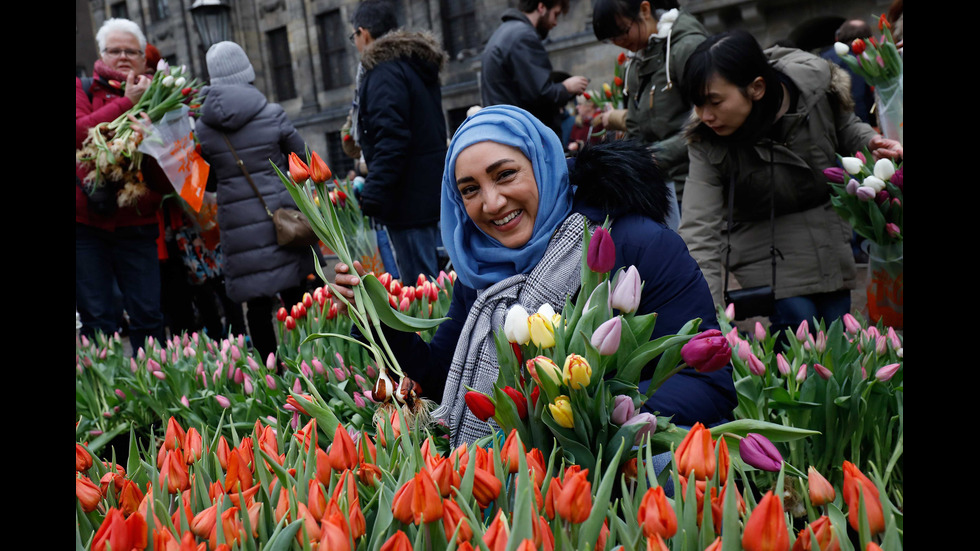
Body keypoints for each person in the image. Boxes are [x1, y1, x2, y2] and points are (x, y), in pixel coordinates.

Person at [335, 105, 736, 446]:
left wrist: (588, 414)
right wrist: (379, 320)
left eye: (505, 174)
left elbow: (708, 385)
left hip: (624, 470)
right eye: (470, 189)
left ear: (543, 164)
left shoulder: (633, 244)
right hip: (516, 480)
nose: (491, 203)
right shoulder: (480, 272)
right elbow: (447, 383)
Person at [678, 30, 903, 336]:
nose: (704, 115)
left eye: (714, 102)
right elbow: (698, 228)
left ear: (756, 87)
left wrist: (871, 141)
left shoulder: (814, 87)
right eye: (698, 105)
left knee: (836, 330)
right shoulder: (707, 140)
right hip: (759, 240)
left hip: (825, 226)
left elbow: (843, 126)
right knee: (801, 325)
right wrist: (707, 317)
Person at [194, 41, 309, 359]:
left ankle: (270, 375)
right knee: (296, 299)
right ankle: (309, 367)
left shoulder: (203, 127)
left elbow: (210, 181)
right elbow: (302, 158)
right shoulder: (271, 113)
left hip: (238, 225)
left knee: (256, 305)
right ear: (246, 72)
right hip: (280, 220)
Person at [76, 18, 165, 350]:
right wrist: (127, 102)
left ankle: (155, 394)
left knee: (149, 317)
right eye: (116, 50)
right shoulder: (82, 88)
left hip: (137, 221)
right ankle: (105, 399)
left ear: (144, 59)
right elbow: (79, 132)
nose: (124, 57)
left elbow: (170, 176)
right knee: (98, 319)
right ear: (102, 53)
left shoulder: (162, 98)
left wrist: (154, 142)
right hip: (86, 223)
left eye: (132, 51)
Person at [349, 0, 447, 282]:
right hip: (424, 194)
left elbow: (392, 139)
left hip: (407, 201)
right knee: (433, 284)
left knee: (421, 291)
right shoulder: (410, 63)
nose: (355, 43)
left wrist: (374, 194)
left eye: (354, 36)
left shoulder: (384, 71)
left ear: (363, 32)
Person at [592, 0, 708, 230]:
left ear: (644, 10)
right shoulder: (635, 62)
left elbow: (709, 121)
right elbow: (636, 126)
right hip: (660, 187)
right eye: (611, 39)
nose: (619, 43)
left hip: (694, 181)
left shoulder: (686, 47)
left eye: (622, 32)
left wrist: (657, 155)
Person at [481, 0, 589, 136]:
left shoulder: (503, 33)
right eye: (555, 14)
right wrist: (566, 87)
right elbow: (541, 94)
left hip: (508, 131)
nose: (555, 23)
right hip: (524, 136)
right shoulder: (523, 36)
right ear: (541, 7)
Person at [821, 19, 875, 125]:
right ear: (866, 39)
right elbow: (857, 98)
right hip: (852, 125)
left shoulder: (825, 56)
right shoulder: (853, 60)